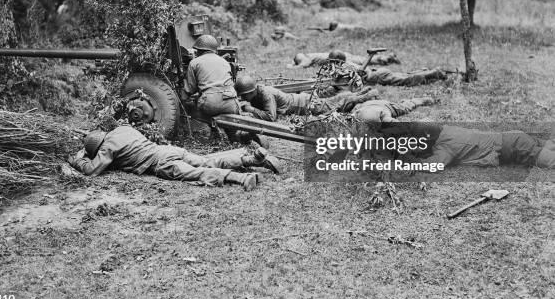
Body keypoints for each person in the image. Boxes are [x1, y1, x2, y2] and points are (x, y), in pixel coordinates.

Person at [67, 125, 282, 191]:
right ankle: (251, 159)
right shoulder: (122, 129)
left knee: (198, 173)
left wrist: (78, 159)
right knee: (205, 159)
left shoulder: (107, 148)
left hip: (160, 163)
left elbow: (92, 171)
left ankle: (240, 178)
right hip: (168, 150)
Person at [381, 123, 555, 169]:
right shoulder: (447, 130)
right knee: (548, 147)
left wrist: (407, 159)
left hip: (512, 147)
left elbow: (433, 165)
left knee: (548, 160)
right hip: (513, 136)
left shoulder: (446, 148)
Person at [234, 75, 379, 121]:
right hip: (301, 100)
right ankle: (362, 93)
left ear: (252, 91)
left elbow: (271, 117)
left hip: (305, 104)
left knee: (338, 104)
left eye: (245, 94)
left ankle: (366, 95)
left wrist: (250, 109)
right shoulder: (257, 92)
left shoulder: (266, 94)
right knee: (333, 100)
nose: (243, 97)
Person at [182, 34, 240, 117]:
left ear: (199, 50)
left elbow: (190, 89)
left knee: (191, 110)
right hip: (230, 102)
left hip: (210, 104)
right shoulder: (224, 62)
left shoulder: (194, 63)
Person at [326, 50, 446, 87]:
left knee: (405, 81)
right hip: (378, 73)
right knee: (403, 76)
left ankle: (434, 73)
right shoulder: (345, 65)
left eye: (334, 62)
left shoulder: (347, 67)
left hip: (378, 77)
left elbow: (351, 78)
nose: (332, 64)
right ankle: (425, 71)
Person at [350, 97, 435, 123]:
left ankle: (421, 100)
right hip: (368, 104)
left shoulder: (382, 118)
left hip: (382, 106)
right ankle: (420, 100)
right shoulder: (356, 115)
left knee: (405, 108)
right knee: (405, 107)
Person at [288, 50, 399, 69]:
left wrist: (292, 66)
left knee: (361, 64)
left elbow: (303, 65)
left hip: (338, 58)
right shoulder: (308, 55)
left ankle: (384, 58)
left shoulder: (305, 58)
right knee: (361, 59)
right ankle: (386, 58)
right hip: (339, 55)